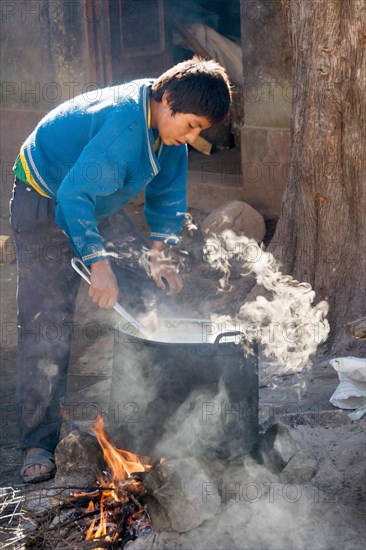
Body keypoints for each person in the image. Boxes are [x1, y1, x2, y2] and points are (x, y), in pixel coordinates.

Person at [10, 56, 232, 483]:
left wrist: (159, 252)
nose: (192, 136)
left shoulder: (169, 134)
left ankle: (160, 410)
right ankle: (37, 440)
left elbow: (167, 194)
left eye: (199, 130)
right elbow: (72, 197)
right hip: (45, 198)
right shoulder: (123, 128)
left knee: (147, 295)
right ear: (166, 100)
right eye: (190, 125)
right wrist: (98, 263)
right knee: (46, 325)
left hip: (96, 200)